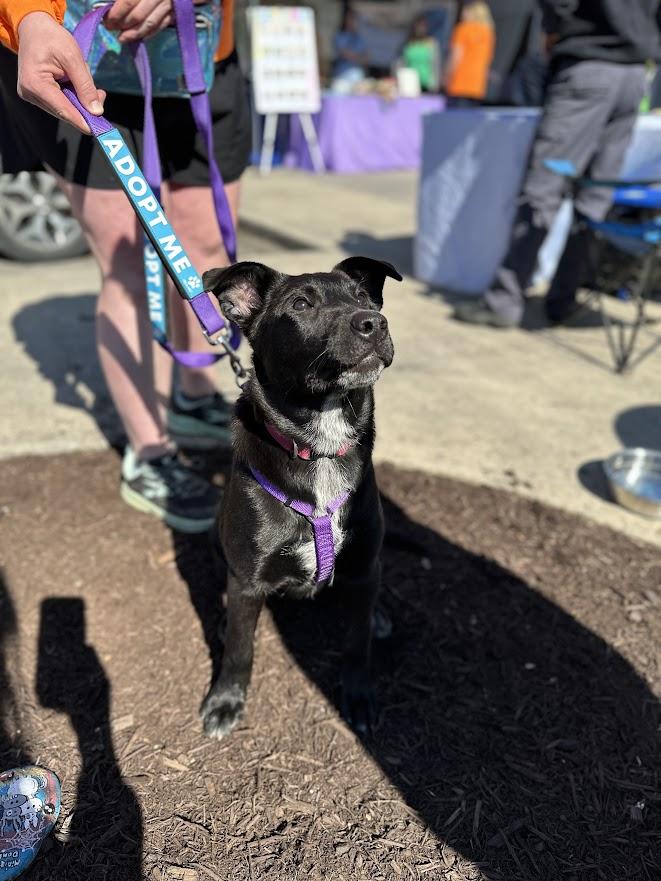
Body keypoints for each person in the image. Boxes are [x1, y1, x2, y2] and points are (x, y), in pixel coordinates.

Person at [0, 0, 251, 533]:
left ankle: (195, 393)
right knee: (127, 258)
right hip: (80, 52)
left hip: (201, 50)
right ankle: (151, 450)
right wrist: (28, 17)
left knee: (206, 245)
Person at [454, 0, 661, 328]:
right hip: (636, 75)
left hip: (590, 63)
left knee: (543, 189)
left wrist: (555, 27)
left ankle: (504, 301)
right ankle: (563, 300)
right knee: (595, 196)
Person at [444, 0, 495, 106]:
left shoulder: (463, 30)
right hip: (478, 86)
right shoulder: (488, 33)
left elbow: (456, 57)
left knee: (455, 119)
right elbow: (487, 60)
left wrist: (446, 76)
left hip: (459, 84)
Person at [331, 5, 368, 93]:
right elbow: (345, 54)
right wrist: (358, 57)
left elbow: (366, 58)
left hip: (357, 75)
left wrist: (355, 57)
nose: (353, 22)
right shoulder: (340, 36)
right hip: (342, 74)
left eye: (355, 19)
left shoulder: (360, 38)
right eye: (350, 19)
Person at [401, 14, 441, 93]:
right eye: (418, 26)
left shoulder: (431, 43)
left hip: (427, 83)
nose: (420, 29)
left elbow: (436, 64)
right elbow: (404, 62)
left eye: (423, 26)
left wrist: (436, 82)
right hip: (411, 83)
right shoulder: (410, 43)